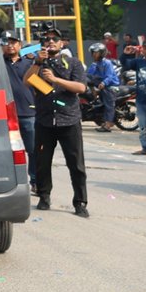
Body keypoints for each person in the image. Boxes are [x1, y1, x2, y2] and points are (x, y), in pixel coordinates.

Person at [28, 27, 89, 217]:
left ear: (62, 43)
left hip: (68, 119)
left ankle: (80, 202)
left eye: (55, 39)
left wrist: (55, 79)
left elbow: (80, 87)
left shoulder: (73, 63)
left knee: (76, 164)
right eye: (47, 39)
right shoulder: (38, 63)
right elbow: (27, 82)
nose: (51, 42)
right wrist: (38, 63)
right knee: (42, 162)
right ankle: (44, 196)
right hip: (45, 120)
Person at [1, 31, 35, 161]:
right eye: (6, 42)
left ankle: (34, 179)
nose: (10, 45)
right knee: (8, 152)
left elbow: (40, 86)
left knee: (33, 150)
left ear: (20, 45)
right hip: (5, 114)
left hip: (28, 113)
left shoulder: (29, 64)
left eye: (13, 42)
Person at [86, 43, 120, 133]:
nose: (94, 54)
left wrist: (103, 83)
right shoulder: (96, 64)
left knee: (109, 106)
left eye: (96, 52)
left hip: (110, 87)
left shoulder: (107, 63)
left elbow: (109, 76)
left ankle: (108, 125)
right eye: (93, 52)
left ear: (102, 53)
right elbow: (90, 76)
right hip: (102, 86)